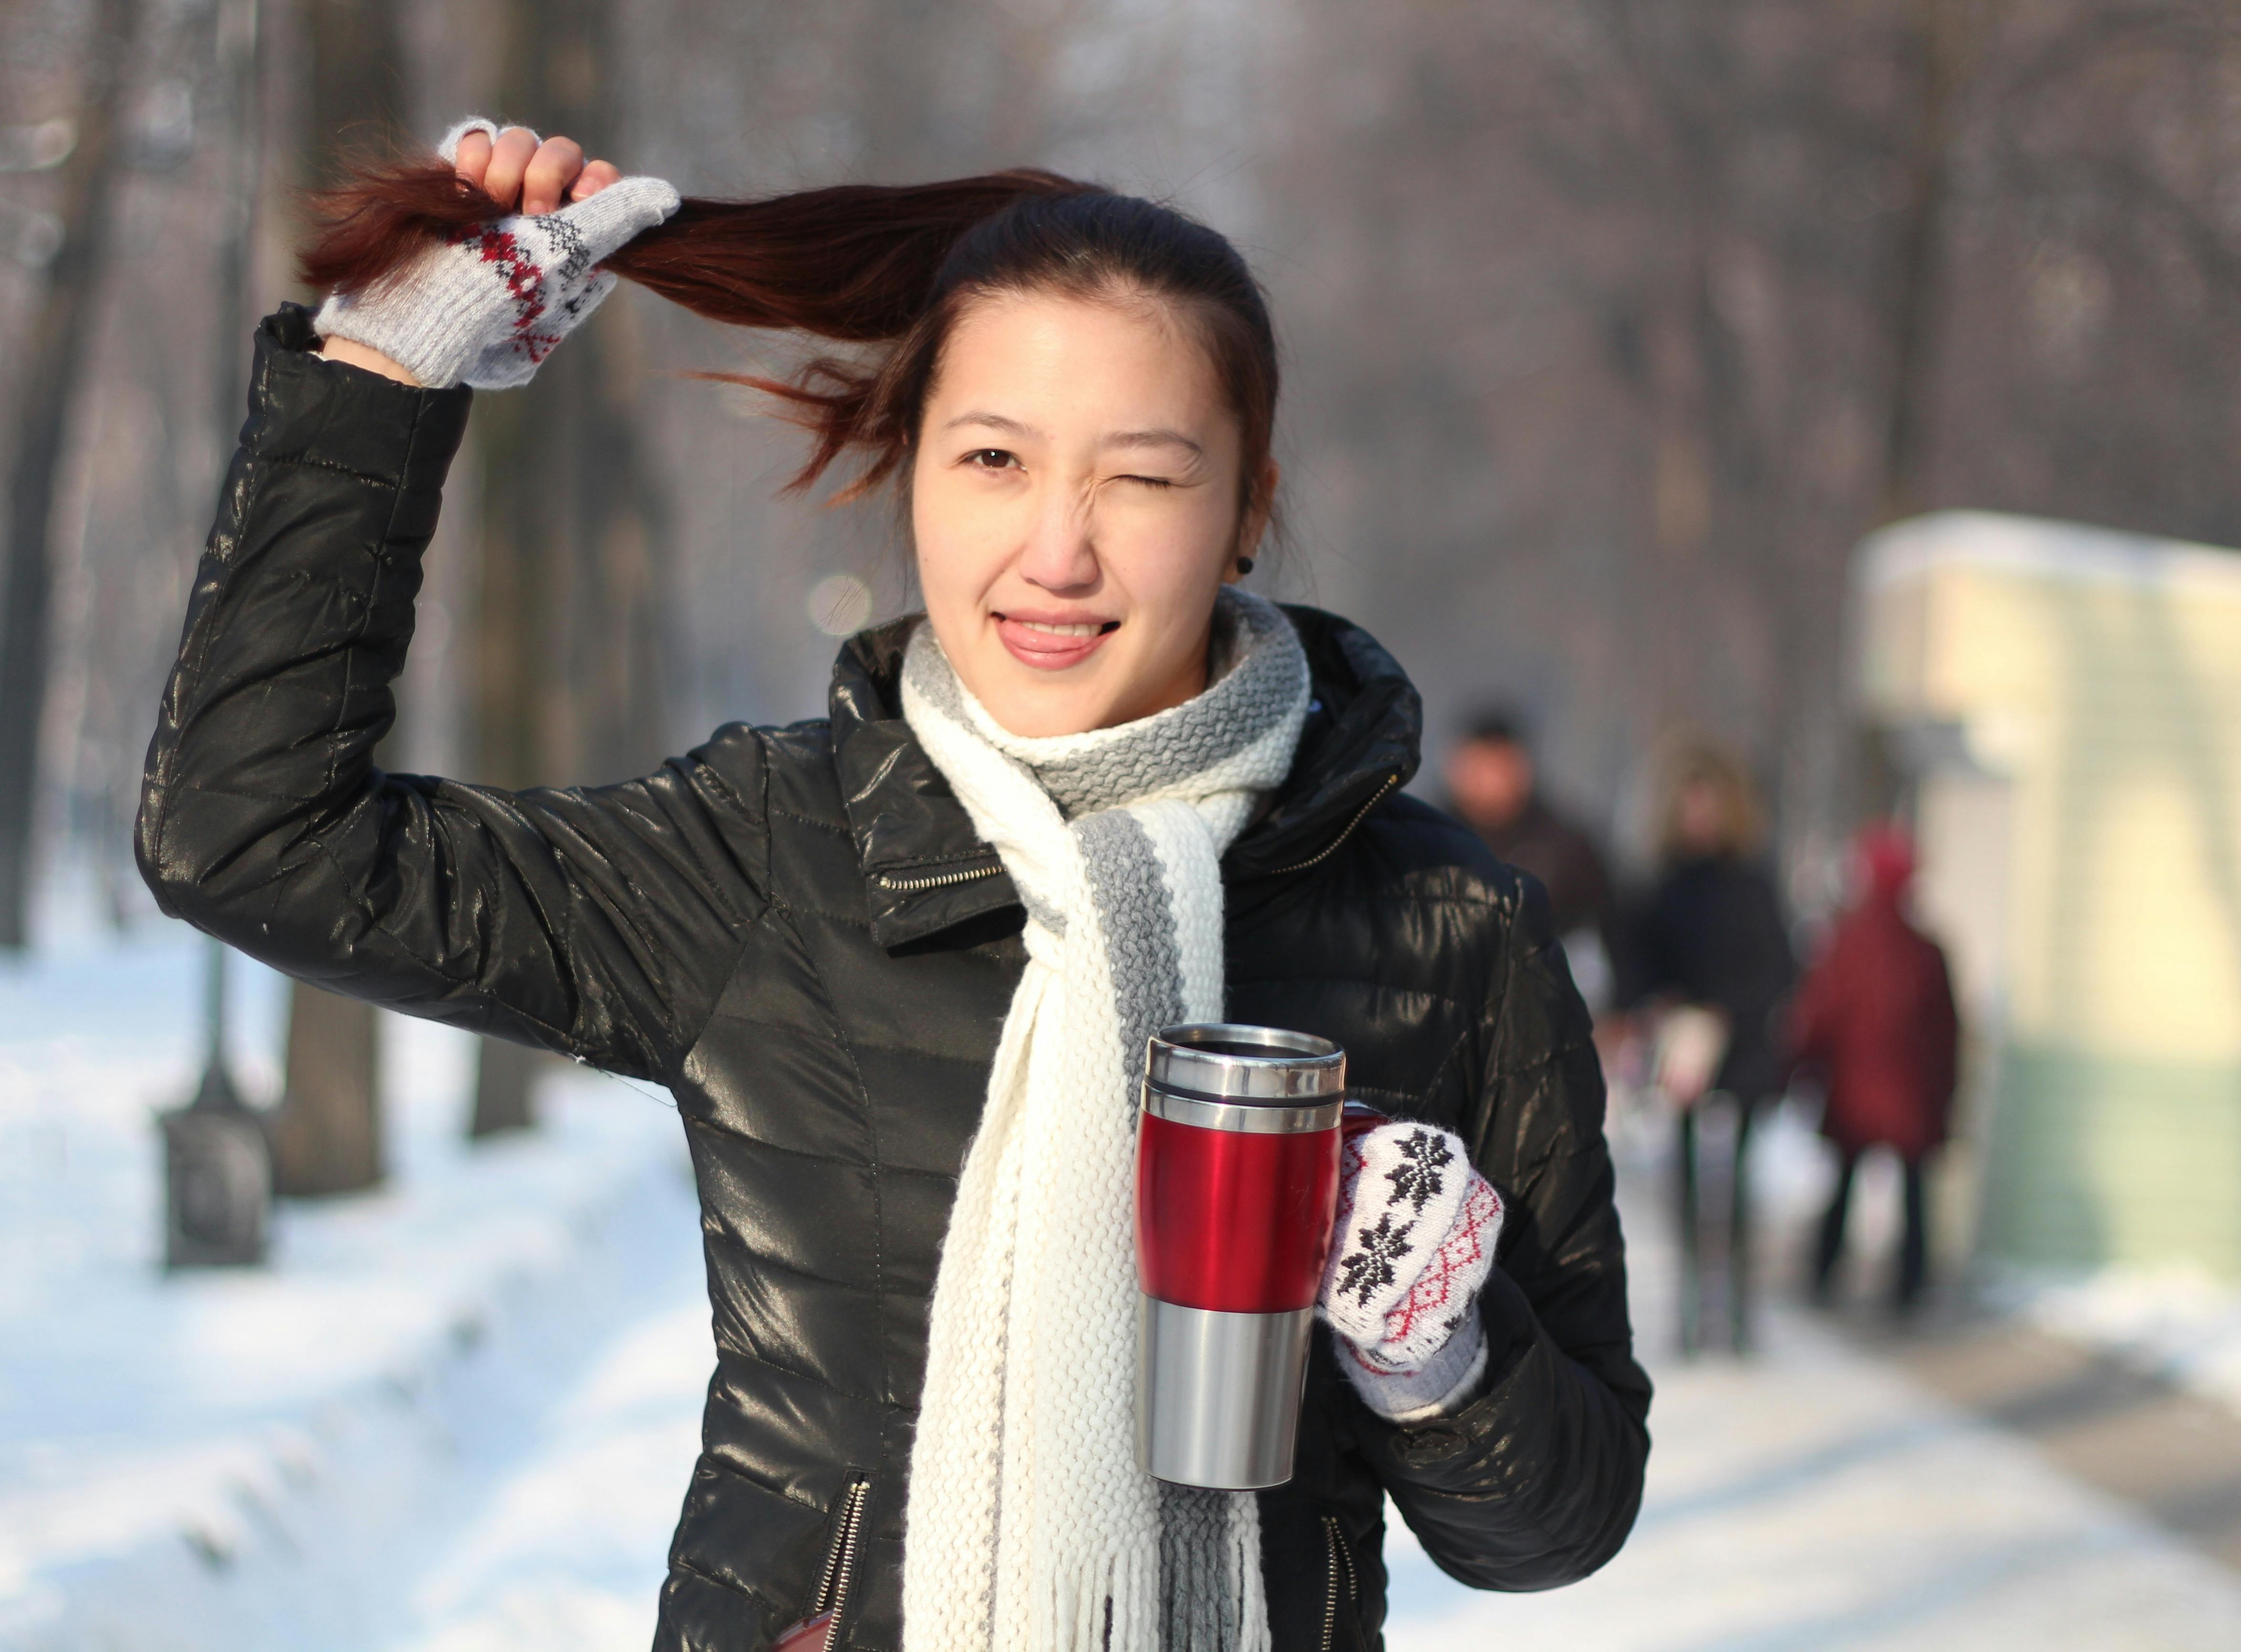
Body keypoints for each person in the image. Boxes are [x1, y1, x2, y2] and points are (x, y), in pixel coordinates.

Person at [137, 119, 1647, 1652]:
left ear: (1248, 505)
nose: (1056, 552)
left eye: (1141, 477)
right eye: (993, 460)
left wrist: (1436, 1344)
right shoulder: (769, 855)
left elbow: (1562, 1526)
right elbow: (252, 836)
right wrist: (390, 377)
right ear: (912, 468)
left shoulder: (1448, 927)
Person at [1619, 741, 1797, 1356]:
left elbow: (1778, 969)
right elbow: (1634, 961)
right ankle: (1692, 1316)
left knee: (1740, 1191)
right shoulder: (1662, 886)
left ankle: (1741, 1317)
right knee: (1686, 1188)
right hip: (1681, 1057)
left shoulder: (1751, 885)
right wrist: (1661, 1005)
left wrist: (1727, 1013)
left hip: (1742, 1054)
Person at [1790, 826, 1961, 1315]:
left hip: (1854, 1092)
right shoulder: (1926, 951)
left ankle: (1822, 1275)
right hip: (1910, 1096)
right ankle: (1911, 1287)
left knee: (1843, 1184)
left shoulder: (1846, 942)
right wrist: (1946, 1092)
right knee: (1912, 1193)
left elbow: (1818, 1014)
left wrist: (1803, 1066)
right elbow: (1948, 1032)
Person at [1443, 710, 1617, 1011]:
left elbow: (1610, 926)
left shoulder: (1565, 845)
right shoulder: (1430, 842)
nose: (1492, 779)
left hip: (1549, 1000)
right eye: (1482, 765)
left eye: (1501, 765)